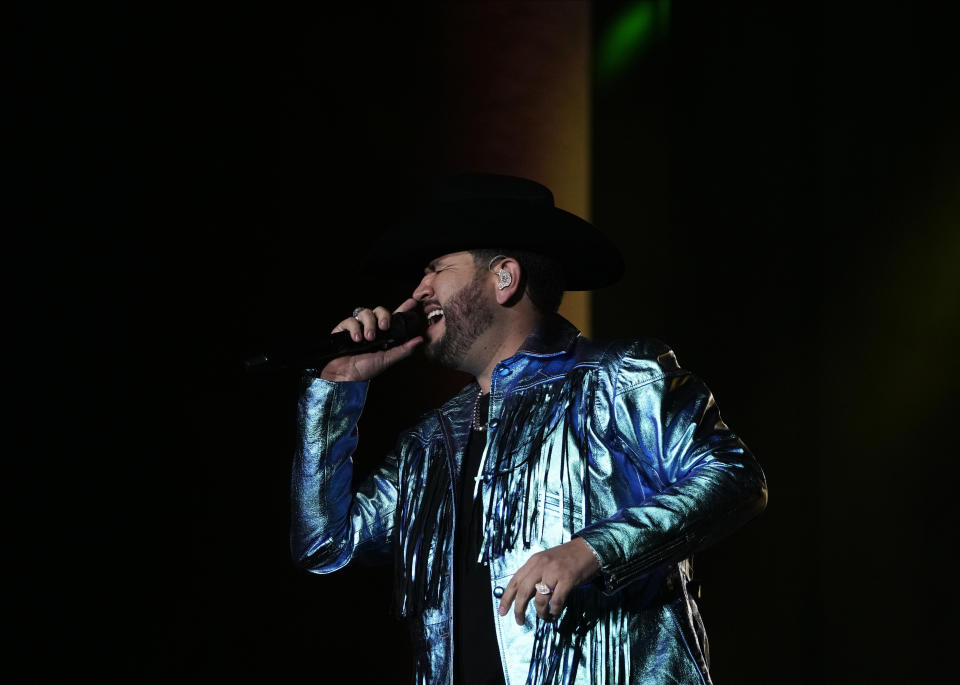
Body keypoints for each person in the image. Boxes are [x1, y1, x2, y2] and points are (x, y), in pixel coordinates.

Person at [290, 172, 768, 684]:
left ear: (504, 278)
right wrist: (336, 389)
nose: (418, 290)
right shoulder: (428, 443)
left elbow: (735, 477)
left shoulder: (616, 378)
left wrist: (592, 550)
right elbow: (325, 545)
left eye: (436, 269)